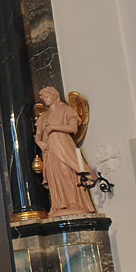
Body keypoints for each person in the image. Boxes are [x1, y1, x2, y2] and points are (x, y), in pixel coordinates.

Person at [34, 86, 97, 217]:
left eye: (46, 97)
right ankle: (59, 204)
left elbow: (73, 127)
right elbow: (38, 135)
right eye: (43, 98)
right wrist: (40, 143)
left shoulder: (67, 110)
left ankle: (74, 203)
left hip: (63, 146)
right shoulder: (44, 116)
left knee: (66, 173)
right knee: (53, 177)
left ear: (54, 95)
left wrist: (53, 128)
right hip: (49, 150)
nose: (45, 100)